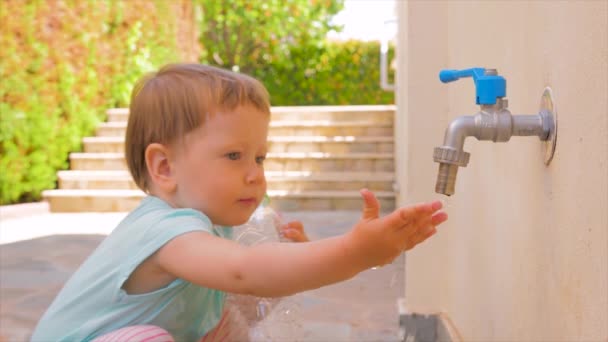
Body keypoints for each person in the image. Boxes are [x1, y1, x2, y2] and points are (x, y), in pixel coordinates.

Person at [31, 63, 447, 342]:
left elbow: (249, 299)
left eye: (259, 157)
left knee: (222, 323)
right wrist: (354, 252)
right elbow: (247, 273)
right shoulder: (165, 231)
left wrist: (294, 263)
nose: (254, 173)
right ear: (164, 167)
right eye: (234, 156)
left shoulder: (210, 230)